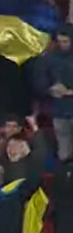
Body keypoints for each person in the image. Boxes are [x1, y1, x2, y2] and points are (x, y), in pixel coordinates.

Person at [41, 25, 73, 160]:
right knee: (63, 152)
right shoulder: (51, 57)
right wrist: (50, 89)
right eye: (60, 41)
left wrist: (70, 92)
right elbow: (41, 78)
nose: (62, 45)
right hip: (59, 110)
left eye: (65, 42)